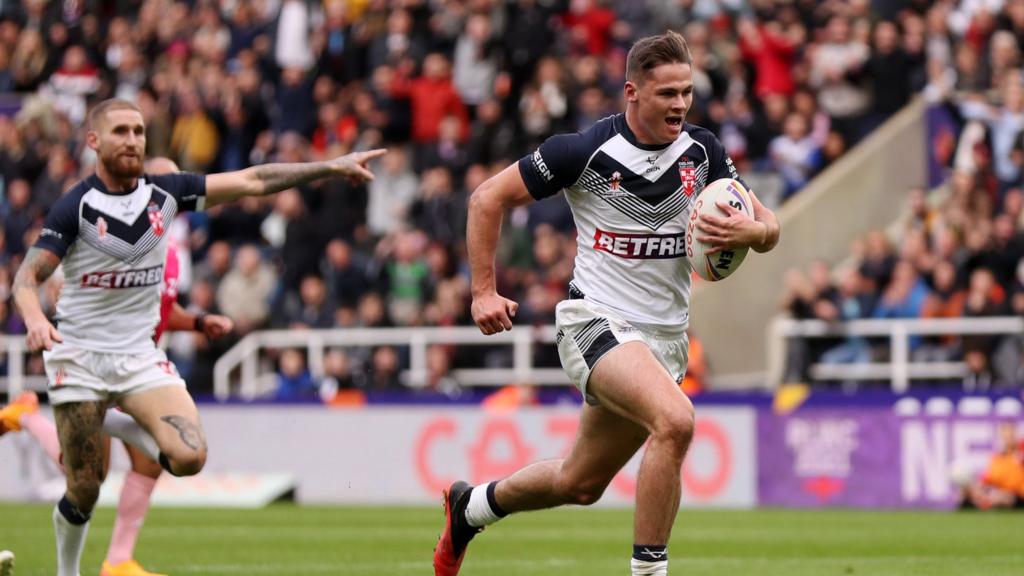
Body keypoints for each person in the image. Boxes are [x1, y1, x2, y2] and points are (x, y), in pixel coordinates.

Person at [434, 31, 780, 576]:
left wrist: (750, 234)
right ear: (632, 92)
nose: (681, 105)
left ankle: (469, 508)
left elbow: (770, 227)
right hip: (594, 323)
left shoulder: (704, 151)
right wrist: (482, 290)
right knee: (677, 421)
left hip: (662, 342)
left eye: (687, 91)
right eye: (667, 93)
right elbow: (486, 198)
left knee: (581, 482)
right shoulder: (582, 151)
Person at [11, 98, 383, 576]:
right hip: (79, 356)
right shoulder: (75, 207)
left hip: (139, 357)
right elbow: (25, 280)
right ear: (94, 141)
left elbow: (253, 179)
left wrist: (327, 167)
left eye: (139, 131)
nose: (132, 140)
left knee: (189, 457)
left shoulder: (168, 193)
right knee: (84, 486)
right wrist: (36, 321)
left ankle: (100, 422)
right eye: (120, 131)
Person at [0, 156, 234, 576]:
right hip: (94, 359)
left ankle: (119, 560)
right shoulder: (102, 234)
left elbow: (164, 306)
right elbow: (57, 284)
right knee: (87, 475)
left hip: (138, 364)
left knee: (147, 463)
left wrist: (198, 322)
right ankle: (31, 417)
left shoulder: (167, 250)